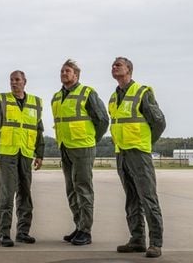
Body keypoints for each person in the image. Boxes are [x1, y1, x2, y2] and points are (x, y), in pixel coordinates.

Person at [109, 57, 166, 258]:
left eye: (118, 65)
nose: (114, 67)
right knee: (131, 199)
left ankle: (156, 243)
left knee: (148, 197)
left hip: (139, 153)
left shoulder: (142, 93)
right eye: (113, 65)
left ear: (129, 70)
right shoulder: (114, 97)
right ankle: (137, 239)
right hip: (121, 153)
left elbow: (158, 122)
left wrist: (146, 143)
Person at [51, 59, 109, 246]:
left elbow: (102, 120)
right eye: (61, 71)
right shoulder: (56, 97)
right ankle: (79, 225)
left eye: (67, 71)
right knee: (71, 190)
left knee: (83, 188)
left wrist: (91, 140)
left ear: (76, 75)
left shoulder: (87, 93)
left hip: (82, 147)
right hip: (65, 147)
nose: (63, 73)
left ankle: (86, 231)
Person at [0, 70, 45, 247]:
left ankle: (23, 232)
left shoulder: (36, 103)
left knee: (25, 193)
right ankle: (4, 233)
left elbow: (38, 130)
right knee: (6, 193)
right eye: (11, 80)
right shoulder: (2, 99)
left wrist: (40, 154)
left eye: (17, 80)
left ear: (24, 82)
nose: (13, 83)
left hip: (26, 153)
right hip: (7, 154)